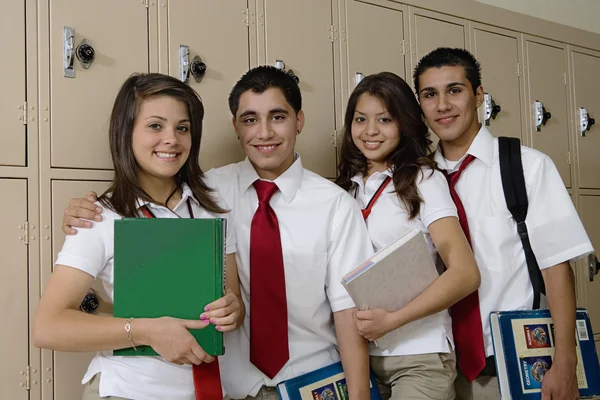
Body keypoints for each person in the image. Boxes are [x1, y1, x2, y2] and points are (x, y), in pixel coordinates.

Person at [59, 66, 374, 400]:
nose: (264, 133)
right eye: (250, 119)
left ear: (299, 120)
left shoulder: (335, 205)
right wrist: (85, 210)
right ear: (235, 127)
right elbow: (146, 191)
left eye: (278, 117)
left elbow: (347, 314)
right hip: (231, 387)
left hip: (311, 379)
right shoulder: (207, 191)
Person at [33, 73, 244, 400]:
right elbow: (49, 327)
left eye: (182, 128)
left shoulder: (212, 211)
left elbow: (233, 302)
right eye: (155, 126)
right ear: (126, 133)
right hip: (130, 390)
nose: (172, 139)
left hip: (208, 389)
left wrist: (232, 310)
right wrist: (146, 331)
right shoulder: (100, 216)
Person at [413, 47, 594, 400]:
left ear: (479, 96)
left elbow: (556, 268)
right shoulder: (416, 179)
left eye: (455, 90)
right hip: (436, 368)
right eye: (429, 94)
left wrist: (565, 360)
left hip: (512, 365)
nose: (442, 105)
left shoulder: (526, 166)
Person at [335, 71, 480, 400]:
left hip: (420, 356)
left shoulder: (423, 179)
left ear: (404, 122)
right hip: (355, 359)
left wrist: (392, 321)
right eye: (361, 119)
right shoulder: (343, 189)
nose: (371, 131)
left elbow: (465, 273)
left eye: (385, 119)